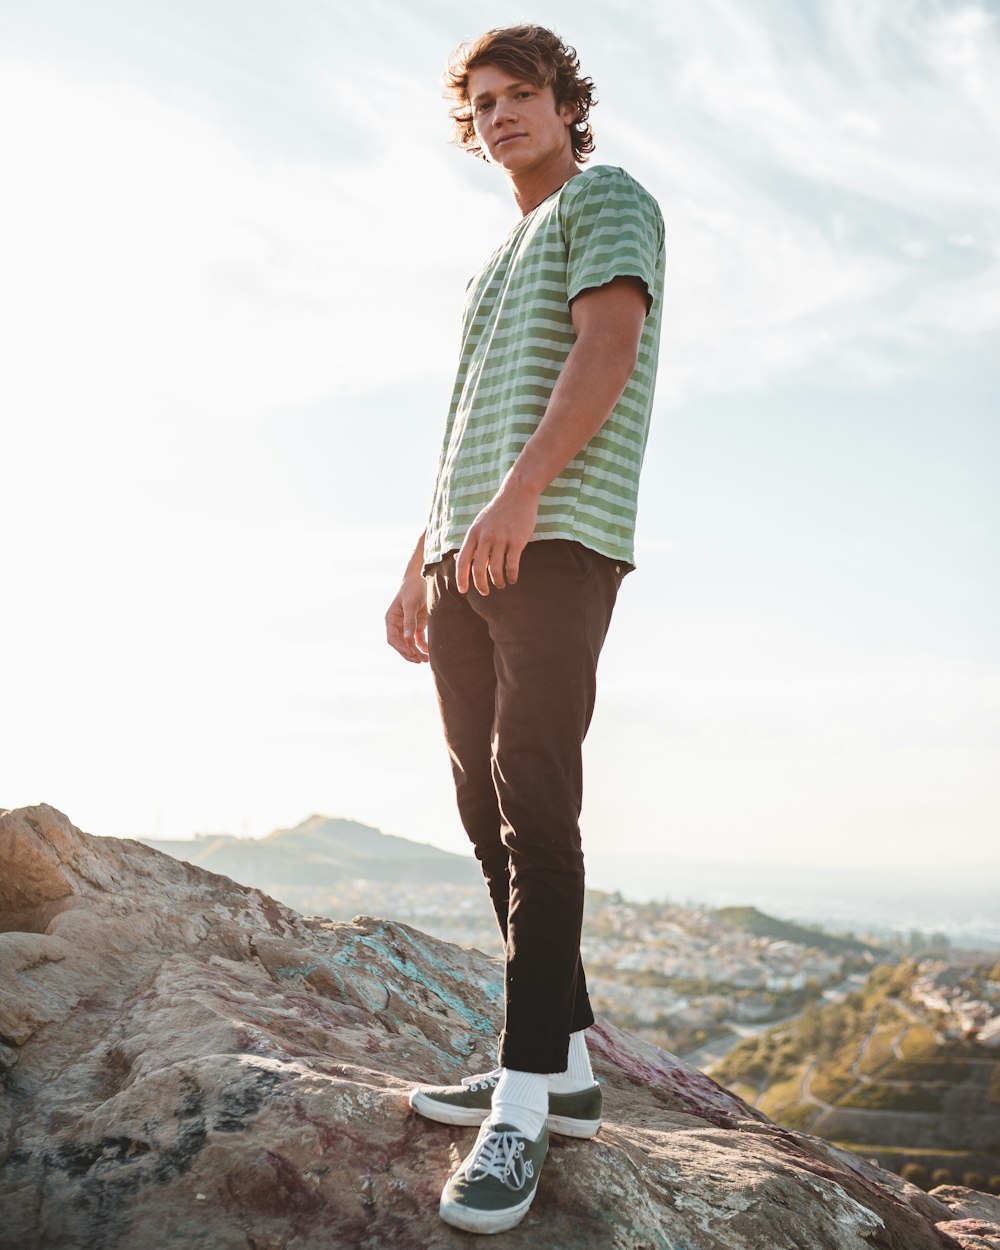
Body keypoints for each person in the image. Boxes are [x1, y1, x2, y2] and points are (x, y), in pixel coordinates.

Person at [384, 23, 664, 1235]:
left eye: (521, 95)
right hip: (465, 552)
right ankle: (562, 1069)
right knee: (480, 807)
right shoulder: (491, 262)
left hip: (550, 538)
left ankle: (517, 1107)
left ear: (564, 104)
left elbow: (607, 349)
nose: (499, 115)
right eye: (482, 102)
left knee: (536, 802)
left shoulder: (606, 200)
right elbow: (459, 430)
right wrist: (416, 563)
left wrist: (522, 495)